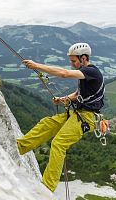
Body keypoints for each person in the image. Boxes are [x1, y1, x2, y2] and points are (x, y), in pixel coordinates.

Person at [17, 43, 105, 192]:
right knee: (47, 123)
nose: (71, 64)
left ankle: (47, 188)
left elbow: (64, 74)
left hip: (87, 117)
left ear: (83, 58)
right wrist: (64, 99)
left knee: (58, 144)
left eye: (74, 61)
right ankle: (19, 147)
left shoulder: (91, 71)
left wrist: (36, 66)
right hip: (78, 114)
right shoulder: (85, 73)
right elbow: (78, 95)